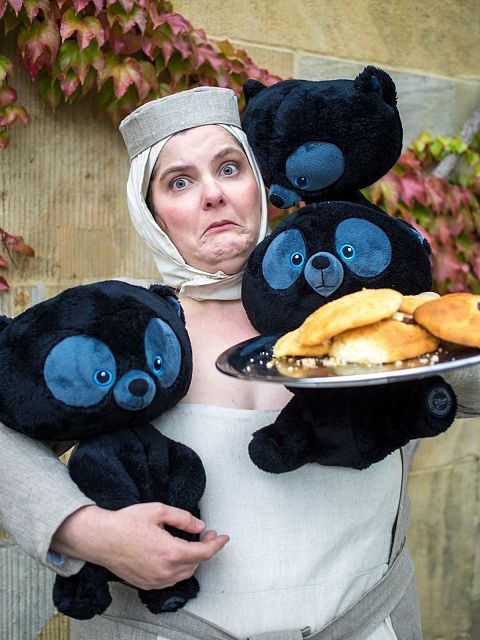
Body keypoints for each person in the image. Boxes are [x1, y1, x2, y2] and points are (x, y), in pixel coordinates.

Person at [0, 86, 479, 640]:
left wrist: (414, 338)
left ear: (258, 181)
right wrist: (86, 530)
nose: (213, 196)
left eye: (229, 168)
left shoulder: (348, 301)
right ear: (150, 209)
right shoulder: (121, 321)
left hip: (370, 624)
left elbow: (456, 380)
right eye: (179, 181)